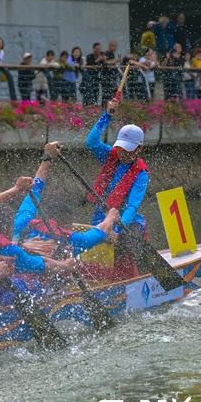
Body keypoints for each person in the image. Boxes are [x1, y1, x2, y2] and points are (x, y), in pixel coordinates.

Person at [85, 99, 149, 277]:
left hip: (127, 222)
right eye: (120, 148)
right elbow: (91, 142)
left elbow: (132, 207)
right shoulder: (110, 155)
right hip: (102, 215)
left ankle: (134, 275)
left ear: (139, 149)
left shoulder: (141, 174)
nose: (122, 153)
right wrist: (107, 115)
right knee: (94, 252)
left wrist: (117, 231)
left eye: (127, 150)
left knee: (124, 246)